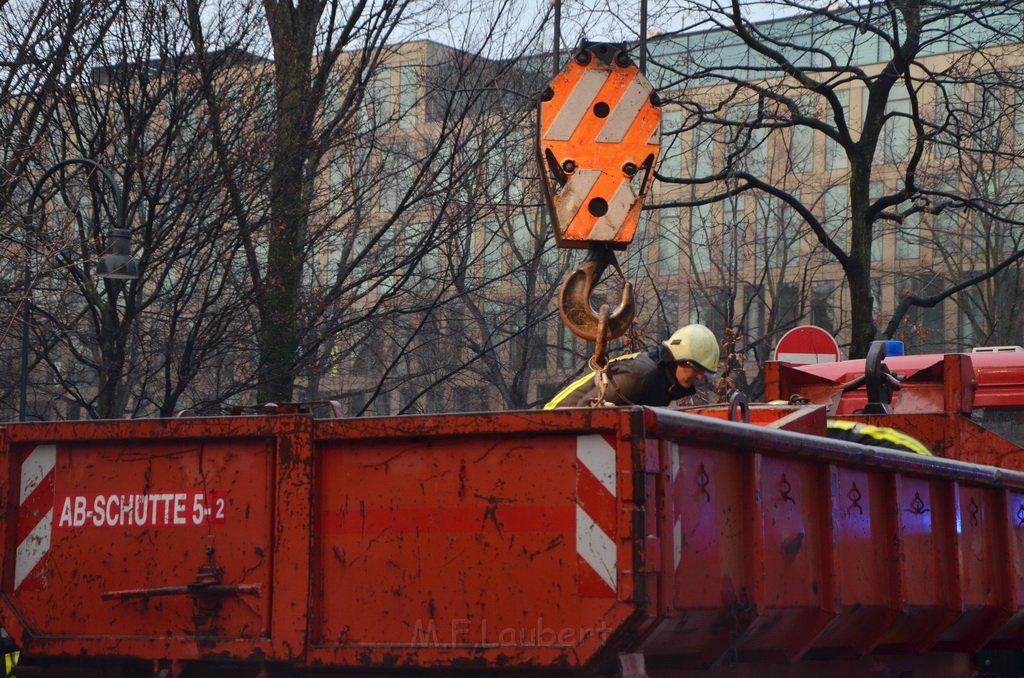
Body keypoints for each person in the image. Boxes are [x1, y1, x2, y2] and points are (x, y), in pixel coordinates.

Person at [544, 324, 720, 409]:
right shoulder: (641, 378)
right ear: (679, 359)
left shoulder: (663, 382)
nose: (700, 377)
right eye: (698, 369)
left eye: (706, 373)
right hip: (554, 427)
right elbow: (587, 411)